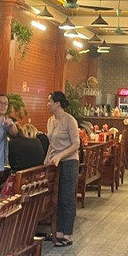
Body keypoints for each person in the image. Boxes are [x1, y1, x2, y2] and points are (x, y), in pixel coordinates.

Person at [45, 91, 80, 247]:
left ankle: (67, 234)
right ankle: (57, 232)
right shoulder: (50, 121)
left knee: (67, 198)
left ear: (57, 103)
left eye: (50, 101)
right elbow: (51, 144)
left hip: (69, 162)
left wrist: (61, 155)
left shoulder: (69, 120)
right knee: (56, 197)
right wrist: (46, 160)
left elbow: (76, 144)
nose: (47, 104)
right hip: (54, 163)